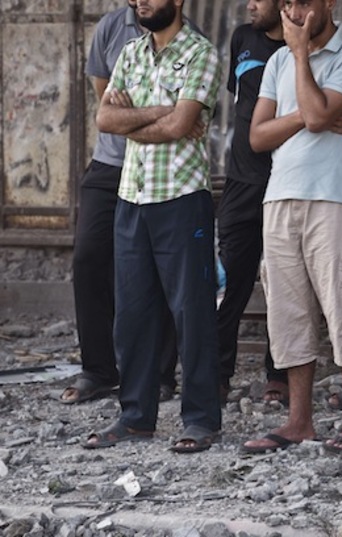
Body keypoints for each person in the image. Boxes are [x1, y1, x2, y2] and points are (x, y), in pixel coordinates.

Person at [82, 0, 223, 453]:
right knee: (133, 314)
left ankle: (201, 419)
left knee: (191, 311)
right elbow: (105, 119)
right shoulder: (131, 52)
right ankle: (136, 415)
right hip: (132, 196)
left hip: (181, 198)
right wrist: (162, 112)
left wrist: (141, 118)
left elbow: (183, 124)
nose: (141, 0)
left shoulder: (201, 52)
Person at [241, 0, 342, 456]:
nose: (295, 12)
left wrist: (301, 56)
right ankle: (300, 421)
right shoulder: (276, 60)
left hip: (334, 196)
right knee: (288, 313)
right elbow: (258, 137)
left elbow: (322, 117)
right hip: (279, 196)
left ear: (330, 3)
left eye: (304, 2)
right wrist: (305, 113)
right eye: (288, 3)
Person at [61, 0, 183, 405]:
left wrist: (135, 116)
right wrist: (153, 114)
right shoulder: (112, 28)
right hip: (110, 163)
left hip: (156, 166)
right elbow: (105, 105)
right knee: (89, 258)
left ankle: (161, 373)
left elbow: (181, 119)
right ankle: (99, 369)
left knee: (158, 265)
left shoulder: (189, 41)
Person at [217, 0, 288, 404]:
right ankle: (218, 373)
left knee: (283, 282)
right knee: (229, 282)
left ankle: (278, 373)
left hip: (285, 180)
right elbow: (240, 104)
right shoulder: (242, 38)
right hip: (240, 182)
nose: (250, 5)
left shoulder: (304, 48)